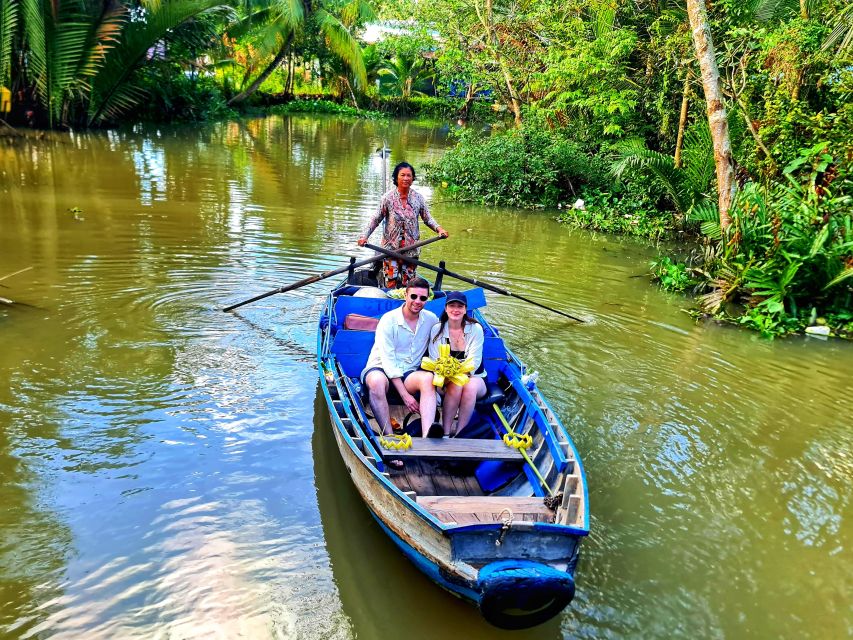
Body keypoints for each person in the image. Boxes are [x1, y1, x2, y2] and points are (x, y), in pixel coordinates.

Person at [361, 277, 442, 439]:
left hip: (409, 373)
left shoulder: (431, 319)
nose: (417, 301)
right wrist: (405, 396)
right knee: (376, 381)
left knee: (427, 378)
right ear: (405, 295)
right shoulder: (388, 320)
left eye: (423, 298)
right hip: (381, 369)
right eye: (413, 296)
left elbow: (439, 347)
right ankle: (390, 437)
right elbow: (388, 361)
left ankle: (427, 437)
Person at [357, 162, 449, 288]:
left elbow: (427, 218)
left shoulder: (418, 198)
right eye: (402, 175)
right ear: (396, 178)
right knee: (390, 285)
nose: (406, 178)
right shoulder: (388, 198)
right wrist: (364, 236)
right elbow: (376, 218)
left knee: (409, 286)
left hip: (411, 251)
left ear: (412, 179)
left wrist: (439, 229)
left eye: (409, 176)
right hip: (390, 250)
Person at [428, 291, 487, 437]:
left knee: (468, 386)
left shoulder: (475, 329)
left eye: (460, 306)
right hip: (444, 379)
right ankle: (446, 432)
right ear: (446, 308)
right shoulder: (438, 329)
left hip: (475, 378)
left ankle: (461, 434)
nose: (456, 309)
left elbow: (474, 362)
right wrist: (446, 377)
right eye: (452, 305)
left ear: (465, 309)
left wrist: (458, 375)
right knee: (456, 385)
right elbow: (435, 361)